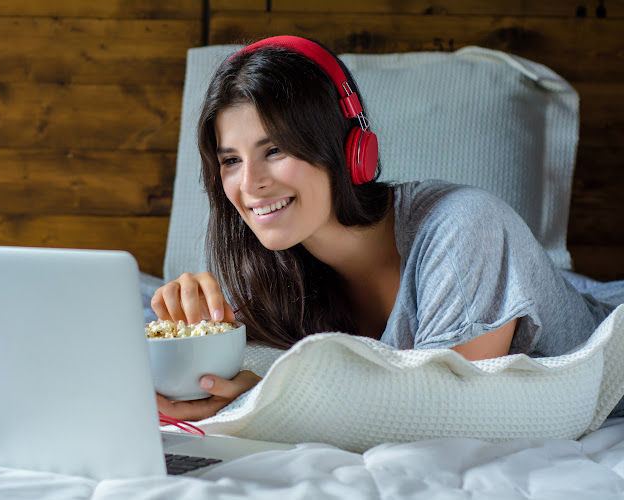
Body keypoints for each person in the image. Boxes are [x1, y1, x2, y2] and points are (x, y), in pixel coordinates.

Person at [152, 36, 617, 422]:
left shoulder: (466, 228)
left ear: (352, 148)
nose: (250, 183)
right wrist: (195, 341)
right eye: (231, 160)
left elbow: (448, 419)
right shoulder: (276, 269)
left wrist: (263, 401)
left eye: (275, 150)